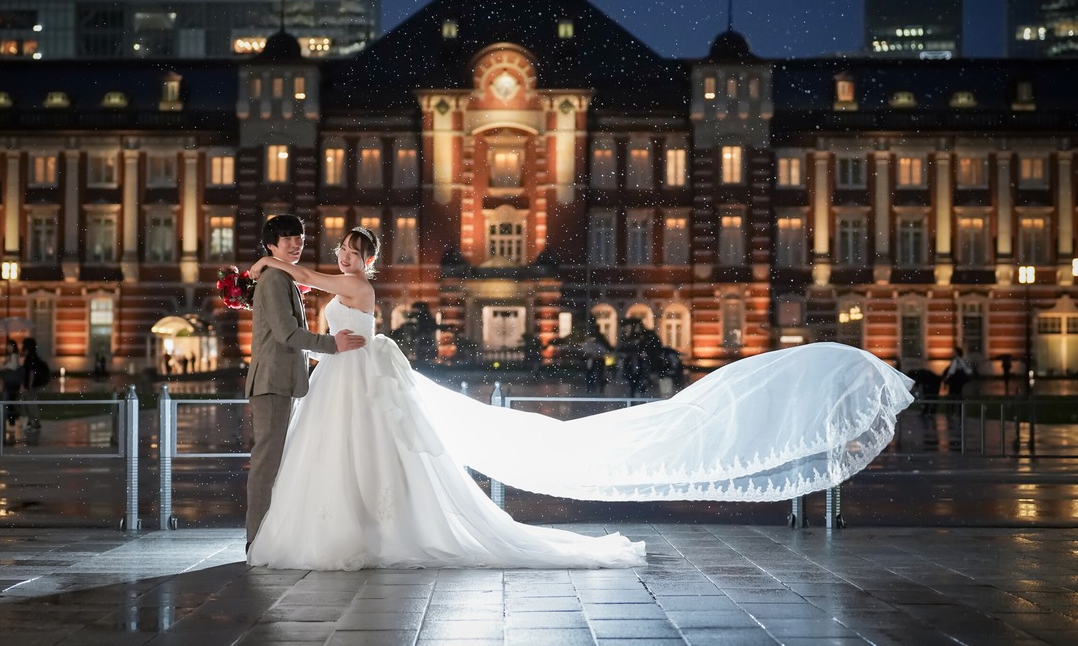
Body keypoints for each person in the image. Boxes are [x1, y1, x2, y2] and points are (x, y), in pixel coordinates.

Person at [245, 226, 915, 571]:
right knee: (361, 459)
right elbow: (305, 275)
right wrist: (266, 267)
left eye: (355, 252)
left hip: (355, 377)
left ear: (368, 261)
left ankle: (363, 531)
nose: (347, 258)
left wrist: (271, 267)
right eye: (344, 250)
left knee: (375, 458)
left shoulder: (355, 290)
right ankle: (359, 527)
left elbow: (309, 280)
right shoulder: (337, 281)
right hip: (346, 384)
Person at [244, 214, 366, 552]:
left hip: (282, 379)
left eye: (299, 238)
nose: (296, 244)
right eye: (287, 239)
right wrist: (332, 345)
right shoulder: (273, 280)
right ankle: (256, 539)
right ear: (272, 245)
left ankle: (267, 535)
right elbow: (286, 334)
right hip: (272, 382)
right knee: (267, 461)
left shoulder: (281, 277)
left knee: (276, 460)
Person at [19, 337, 44, 430]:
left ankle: (35, 421)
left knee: (29, 403)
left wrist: (29, 385)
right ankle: (31, 420)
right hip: (30, 385)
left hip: (30, 386)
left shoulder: (30, 358)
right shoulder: (31, 357)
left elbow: (31, 372)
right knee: (25, 402)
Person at [0, 339, 24, 428]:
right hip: (12, 381)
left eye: (11, 346)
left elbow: (13, 367)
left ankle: (14, 421)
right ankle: (16, 419)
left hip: (12, 382)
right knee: (11, 401)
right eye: (8, 346)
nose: (9, 348)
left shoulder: (14, 355)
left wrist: (5, 364)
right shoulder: (12, 356)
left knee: (11, 402)